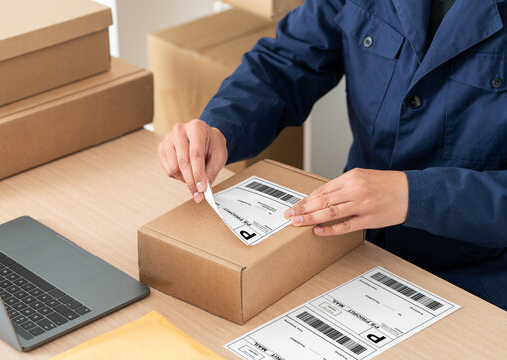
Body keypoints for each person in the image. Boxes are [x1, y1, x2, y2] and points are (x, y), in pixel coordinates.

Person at [158, 0, 507, 311]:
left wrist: (417, 196)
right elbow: (286, 62)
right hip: (355, 244)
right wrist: (222, 127)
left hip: (479, 276)